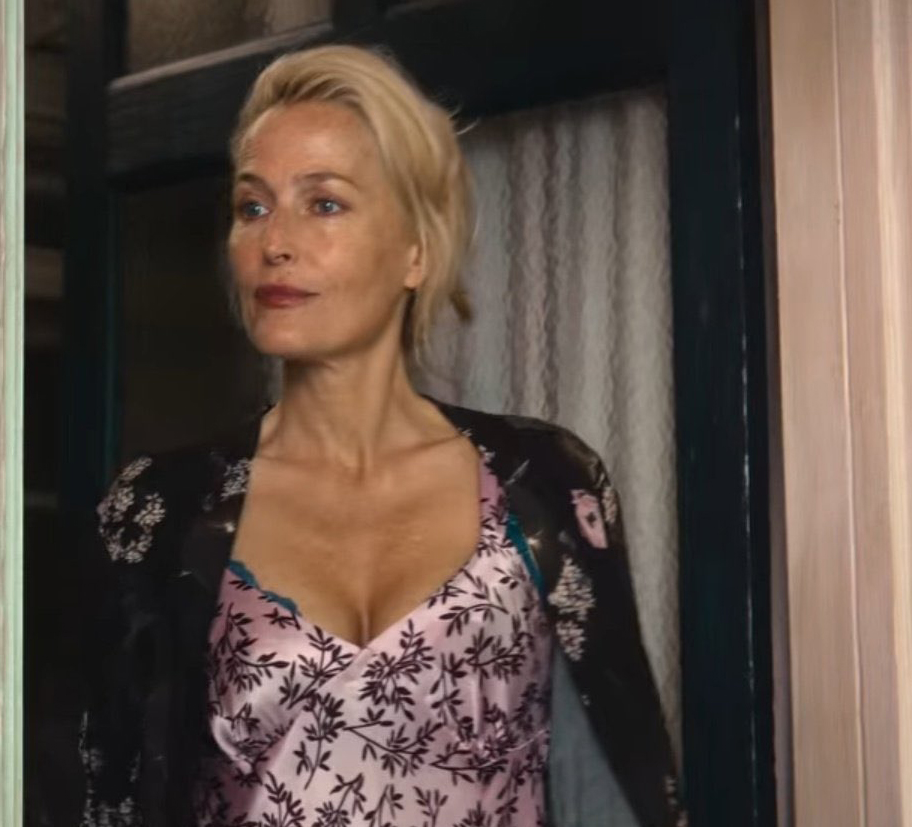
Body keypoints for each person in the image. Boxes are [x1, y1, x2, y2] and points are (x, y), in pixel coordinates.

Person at [79, 45, 683, 827]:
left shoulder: (544, 485)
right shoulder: (159, 508)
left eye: (323, 204)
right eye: (251, 207)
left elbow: (613, 798)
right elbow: (105, 797)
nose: (275, 242)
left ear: (415, 251)